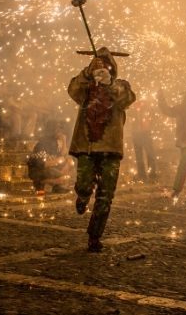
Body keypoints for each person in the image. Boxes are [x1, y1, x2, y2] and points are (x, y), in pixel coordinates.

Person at [68, 47, 136, 252]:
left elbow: (127, 99)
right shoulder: (85, 87)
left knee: (106, 195)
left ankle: (94, 236)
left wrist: (109, 83)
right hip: (86, 146)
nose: (101, 70)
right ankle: (82, 195)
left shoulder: (120, 85)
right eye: (97, 66)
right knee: (83, 184)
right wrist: (87, 74)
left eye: (105, 66)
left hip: (110, 148)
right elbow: (73, 90)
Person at [27, 120, 75, 195]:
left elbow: (64, 154)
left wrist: (64, 140)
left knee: (69, 161)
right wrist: (55, 162)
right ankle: (41, 183)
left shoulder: (56, 142)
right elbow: (38, 163)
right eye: (58, 130)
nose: (60, 132)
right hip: (37, 170)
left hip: (52, 168)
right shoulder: (43, 143)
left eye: (61, 130)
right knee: (58, 175)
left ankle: (58, 185)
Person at [130, 98, 158, 183]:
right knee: (139, 156)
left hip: (145, 133)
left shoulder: (147, 107)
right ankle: (142, 174)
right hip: (136, 133)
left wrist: (149, 127)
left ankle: (152, 174)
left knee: (150, 154)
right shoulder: (132, 108)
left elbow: (153, 118)